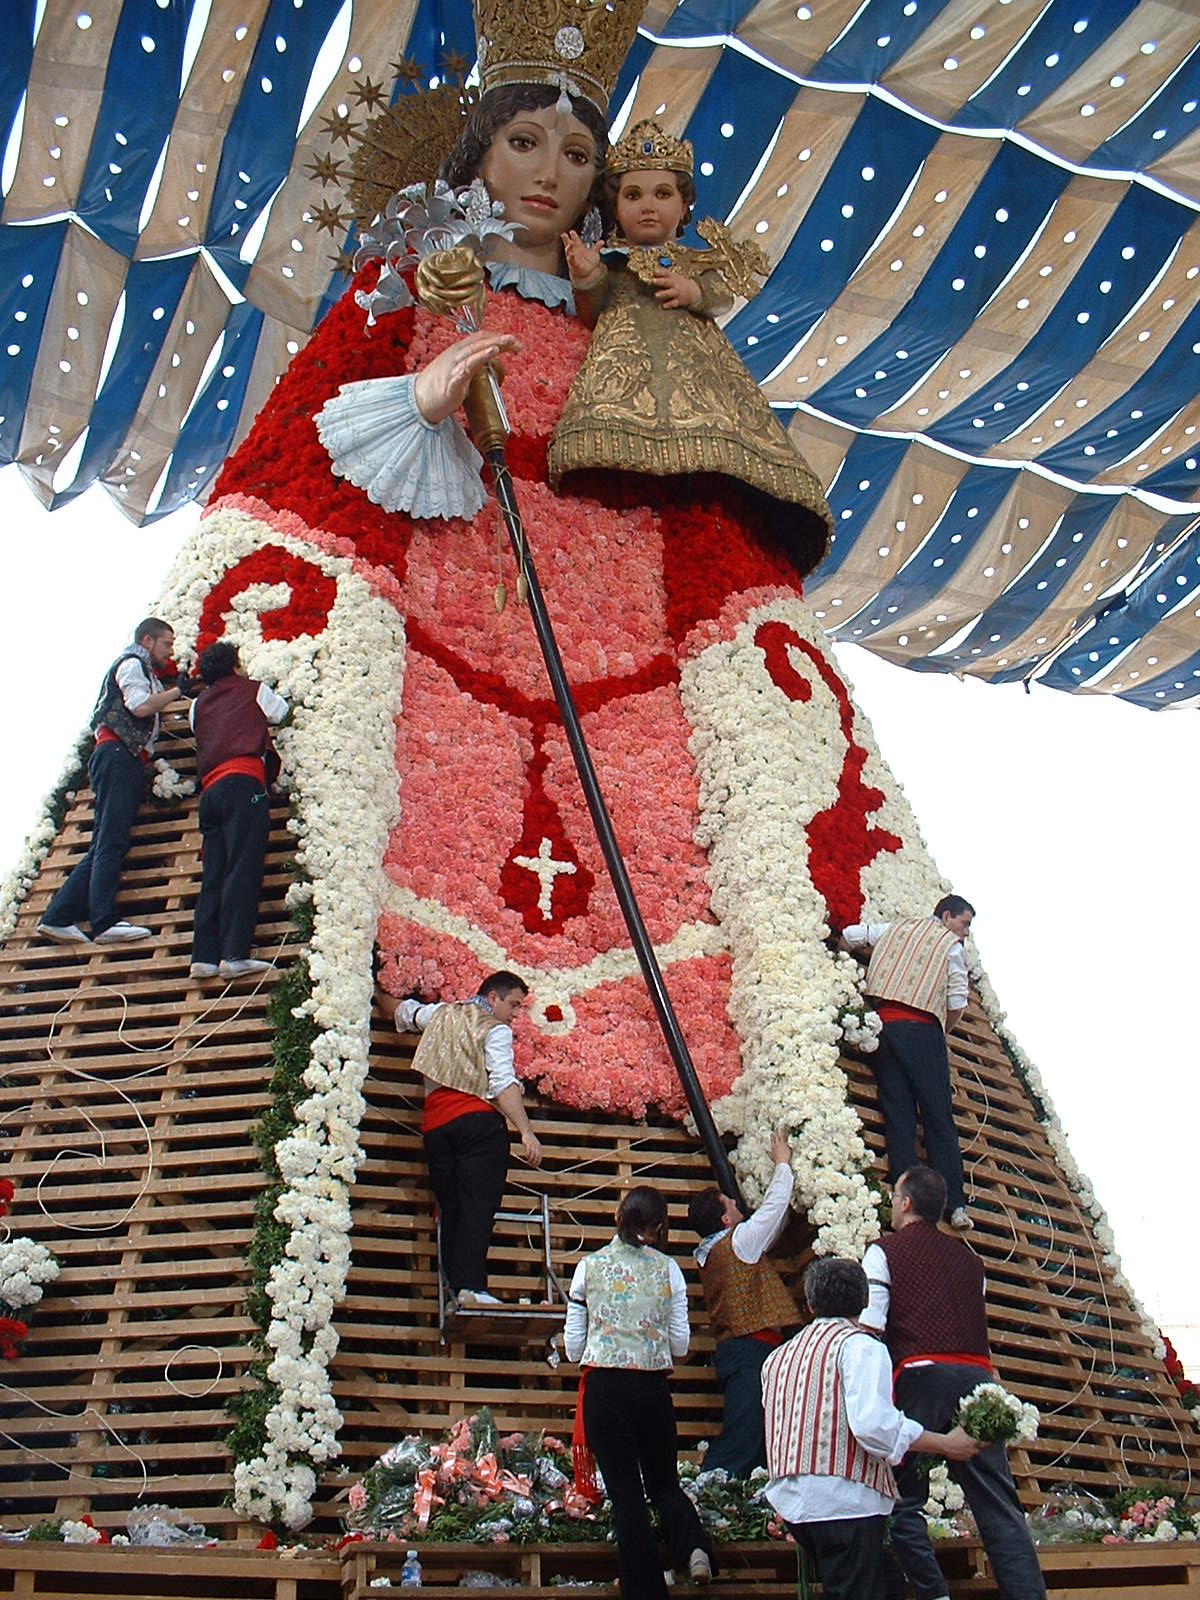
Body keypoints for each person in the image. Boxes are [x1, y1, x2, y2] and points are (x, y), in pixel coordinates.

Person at [549, 118, 827, 531]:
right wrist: (586, 276)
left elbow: (720, 294)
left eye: (662, 194)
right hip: (625, 366)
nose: (648, 205)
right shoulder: (612, 261)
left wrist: (694, 293)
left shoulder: (695, 261)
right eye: (633, 195)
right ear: (615, 207)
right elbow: (592, 310)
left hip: (695, 368)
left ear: (683, 207)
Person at [861, 1166, 1048, 1600]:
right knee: (999, 1506)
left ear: (905, 1203)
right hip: (978, 1378)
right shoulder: (971, 1261)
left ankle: (933, 1594)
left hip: (920, 1375)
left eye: (894, 1197)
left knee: (901, 1497)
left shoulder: (883, 1251)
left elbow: (871, 1327)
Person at [762, 1257, 979, 1600]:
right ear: (865, 1303)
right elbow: (872, 1425)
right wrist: (946, 1444)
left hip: (794, 1502)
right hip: (843, 1500)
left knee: (887, 1583)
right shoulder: (861, 1346)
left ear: (810, 1303)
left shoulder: (778, 1357)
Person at [564, 1185, 715, 1597]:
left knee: (627, 1497)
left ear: (618, 1219)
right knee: (664, 1483)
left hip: (605, 1389)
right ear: (660, 1227)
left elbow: (574, 1346)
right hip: (651, 1389)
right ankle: (695, 1545)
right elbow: (680, 1345)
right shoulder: (669, 1270)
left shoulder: (588, 1267)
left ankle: (646, 1591)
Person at [379, 972, 542, 1307]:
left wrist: (373, 992)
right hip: (478, 1124)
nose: (515, 1014)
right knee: (477, 1207)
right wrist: (525, 1130)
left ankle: (456, 1288)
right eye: (513, 1004)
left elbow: (401, 1013)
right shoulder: (495, 1030)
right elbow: (502, 1084)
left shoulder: (440, 1013)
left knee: (450, 1207)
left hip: (436, 1127)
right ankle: (472, 1288)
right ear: (492, 998)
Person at [39, 618, 179, 946]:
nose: (169, 651)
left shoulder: (144, 672)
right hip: (119, 755)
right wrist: (178, 691)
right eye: (166, 644)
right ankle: (103, 922)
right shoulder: (132, 665)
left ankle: (58, 916)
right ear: (147, 640)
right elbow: (140, 707)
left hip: (118, 755)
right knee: (112, 840)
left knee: (104, 842)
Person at [840, 895, 975, 1229]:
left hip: (884, 1029)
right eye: (965, 923)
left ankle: (907, 1203)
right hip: (923, 1030)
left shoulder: (898, 927)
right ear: (946, 916)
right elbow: (958, 999)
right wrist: (945, 1026)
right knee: (937, 1115)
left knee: (898, 1114)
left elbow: (854, 934)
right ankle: (955, 1204)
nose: (966, 932)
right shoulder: (951, 946)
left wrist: (842, 955)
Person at [687, 1130, 800, 1476]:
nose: (737, 1205)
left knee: (754, 1431)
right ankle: (710, 1486)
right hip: (751, 1352)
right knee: (745, 1434)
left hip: (745, 1352)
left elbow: (767, 1228)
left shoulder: (720, 1250)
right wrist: (782, 1163)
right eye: (731, 1205)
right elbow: (772, 1210)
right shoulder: (737, 1243)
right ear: (725, 1219)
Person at [188, 642, 289, 981]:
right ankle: (233, 953)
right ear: (235, 664)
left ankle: (203, 956)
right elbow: (280, 712)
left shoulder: (197, 705)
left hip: (210, 791)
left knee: (214, 871)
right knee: (243, 866)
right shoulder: (253, 690)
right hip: (244, 785)